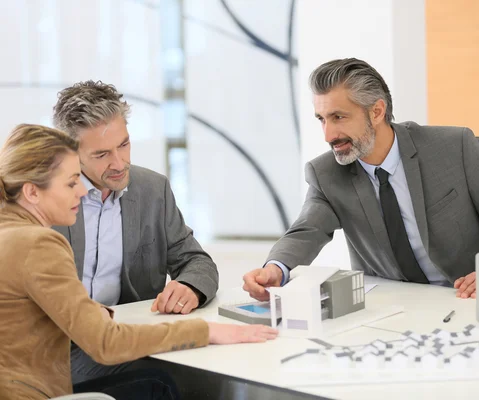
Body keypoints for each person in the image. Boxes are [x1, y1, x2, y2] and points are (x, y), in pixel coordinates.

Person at [0, 124, 277, 400]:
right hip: (35, 389)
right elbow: (106, 343)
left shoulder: (9, 232)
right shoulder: (37, 243)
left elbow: (193, 258)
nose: (82, 192)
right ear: (32, 193)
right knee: (163, 383)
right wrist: (207, 331)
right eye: (72, 182)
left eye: (124, 144)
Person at [243, 58, 479, 300]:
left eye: (338, 117)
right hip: (390, 309)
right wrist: (276, 268)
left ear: (377, 111)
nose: (328, 136)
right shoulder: (326, 173)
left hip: (463, 299)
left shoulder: (453, 148)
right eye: (322, 119)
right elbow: (306, 231)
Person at [51, 81, 220, 383]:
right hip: (58, 349)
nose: (119, 163)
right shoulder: (46, 199)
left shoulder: (153, 189)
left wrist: (189, 287)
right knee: (167, 376)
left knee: (207, 369)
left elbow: (196, 261)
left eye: (124, 144)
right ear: (70, 153)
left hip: (127, 339)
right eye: (102, 154)